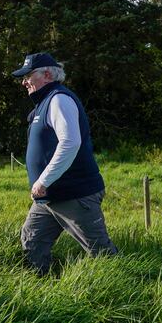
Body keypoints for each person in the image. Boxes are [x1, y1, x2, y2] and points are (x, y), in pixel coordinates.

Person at [12, 52, 118, 275]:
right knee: (32, 241)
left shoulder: (59, 99)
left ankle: (129, 293)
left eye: (28, 76)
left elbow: (70, 143)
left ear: (48, 74)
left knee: (100, 252)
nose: (24, 82)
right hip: (49, 197)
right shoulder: (43, 103)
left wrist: (43, 180)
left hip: (74, 195)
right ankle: (40, 289)